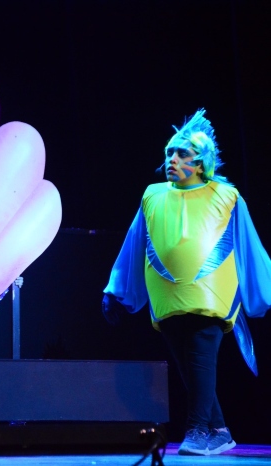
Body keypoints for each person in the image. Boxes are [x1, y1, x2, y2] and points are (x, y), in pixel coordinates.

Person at [102, 109, 271, 456]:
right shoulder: (152, 195)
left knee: (200, 357)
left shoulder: (226, 196)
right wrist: (115, 290)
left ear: (200, 162)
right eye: (169, 153)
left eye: (181, 154)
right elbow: (134, 242)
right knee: (189, 364)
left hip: (211, 292)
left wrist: (262, 287)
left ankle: (196, 430)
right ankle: (220, 430)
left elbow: (249, 243)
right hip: (167, 296)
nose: (172, 160)